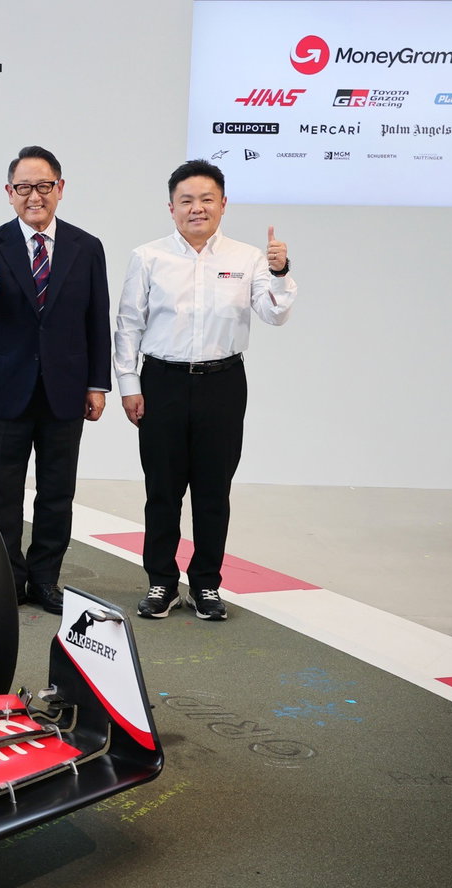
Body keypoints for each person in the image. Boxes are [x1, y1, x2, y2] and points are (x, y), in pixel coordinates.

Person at [115, 159, 298, 622]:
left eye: (206, 199)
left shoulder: (248, 258)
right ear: (171, 207)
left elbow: (274, 315)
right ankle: (161, 582)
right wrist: (129, 385)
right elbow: (129, 326)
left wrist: (280, 272)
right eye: (187, 201)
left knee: (214, 491)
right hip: (161, 383)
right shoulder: (148, 257)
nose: (197, 208)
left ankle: (207, 585)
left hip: (223, 383)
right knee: (162, 490)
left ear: (223, 203)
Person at [0, 145, 110, 615]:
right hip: (7, 390)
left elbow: (97, 319)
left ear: (60, 189)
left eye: (44, 186)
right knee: (3, 492)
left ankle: (45, 580)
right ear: (9, 193)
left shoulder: (87, 247)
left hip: (65, 390)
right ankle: (8, 578)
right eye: (23, 188)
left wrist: (97, 384)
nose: (34, 197)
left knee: (57, 492)